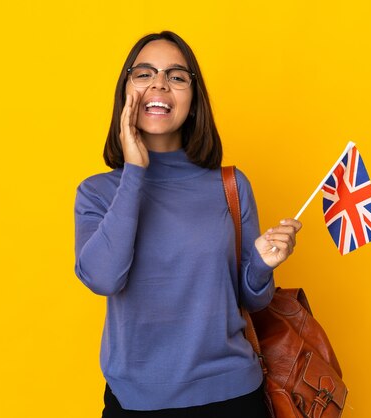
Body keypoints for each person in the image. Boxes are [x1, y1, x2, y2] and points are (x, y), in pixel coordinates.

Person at [74, 31, 302, 417]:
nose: (160, 83)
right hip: (135, 403)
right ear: (126, 91)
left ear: (193, 102)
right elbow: (103, 278)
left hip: (233, 397)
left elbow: (252, 299)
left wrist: (262, 266)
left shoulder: (230, 185)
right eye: (144, 73)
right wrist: (134, 171)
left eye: (177, 76)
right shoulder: (97, 193)